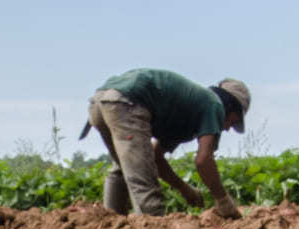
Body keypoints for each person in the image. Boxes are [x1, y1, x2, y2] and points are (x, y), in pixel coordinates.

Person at [85, 69, 249, 219]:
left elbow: (156, 158)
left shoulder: (187, 112)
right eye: (233, 121)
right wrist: (223, 200)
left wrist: (184, 189)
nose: (228, 128)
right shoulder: (215, 105)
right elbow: (203, 160)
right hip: (126, 102)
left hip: (101, 102)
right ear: (229, 105)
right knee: (143, 182)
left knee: (123, 168)